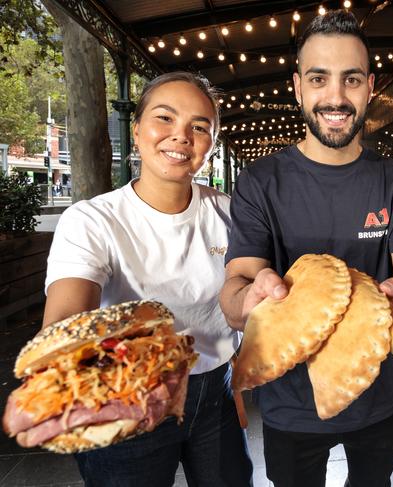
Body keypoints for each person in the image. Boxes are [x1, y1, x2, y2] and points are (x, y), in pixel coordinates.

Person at [219, 10, 393, 487]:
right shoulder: (260, 183)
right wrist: (250, 297)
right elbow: (236, 289)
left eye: (351, 79)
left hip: (377, 399)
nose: (336, 97)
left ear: (370, 86)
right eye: (319, 79)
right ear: (298, 87)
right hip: (290, 405)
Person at [43, 72, 253, 487]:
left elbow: (237, 310)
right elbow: (64, 323)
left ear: (211, 144)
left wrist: (239, 387)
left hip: (215, 394)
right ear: (136, 130)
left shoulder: (230, 212)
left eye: (199, 126)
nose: (181, 136)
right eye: (165, 119)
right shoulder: (92, 220)